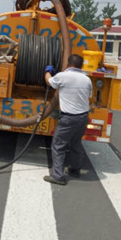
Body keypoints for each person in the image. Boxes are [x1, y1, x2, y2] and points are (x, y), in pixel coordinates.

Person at [43, 54, 92, 186]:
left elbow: (49, 82)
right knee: (76, 143)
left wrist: (47, 71)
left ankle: (58, 176)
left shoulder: (62, 76)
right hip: (83, 117)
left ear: (69, 64)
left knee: (58, 146)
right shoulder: (87, 80)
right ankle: (75, 170)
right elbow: (89, 95)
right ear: (81, 65)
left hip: (69, 118)